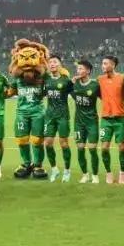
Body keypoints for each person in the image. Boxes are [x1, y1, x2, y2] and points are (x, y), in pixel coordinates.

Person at [8, 61, 46, 179]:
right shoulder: (17, 80)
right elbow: (8, 93)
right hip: (22, 113)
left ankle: (38, 165)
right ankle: (27, 163)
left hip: (38, 113)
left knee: (37, 140)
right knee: (22, 140)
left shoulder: (41, 79)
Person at [42, 55, 74, 183]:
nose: (52, 64)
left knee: (64, 143)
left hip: (62, 116)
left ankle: (67, 170)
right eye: (50, 62)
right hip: (49, 116)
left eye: (55, 62)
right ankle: (54, 169)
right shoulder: (46, 79)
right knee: (47, 143)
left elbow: (76, 93)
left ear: (60, 65)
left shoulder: (66, 80)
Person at [97, 55, 124, 184]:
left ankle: (122, 172)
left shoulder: (123, 78)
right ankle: (108, 173)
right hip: (105, 119)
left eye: (105, 63)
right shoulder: (100, 79)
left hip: (120, 118)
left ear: (113, 65)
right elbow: (98, 94)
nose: (103, 66)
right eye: (102, 63)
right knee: (104, 148)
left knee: (122, 147)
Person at [72, 59, 101, 184]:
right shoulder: (74, 84)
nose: (78, 71)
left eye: (81, 68)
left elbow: (104, 97)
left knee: (93, 149)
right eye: (77, 68)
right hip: (78, 123)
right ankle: (85, 174)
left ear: (88, 71)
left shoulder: (95, 85)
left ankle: (95, 175)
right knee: (80, 148)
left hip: (92, 122)